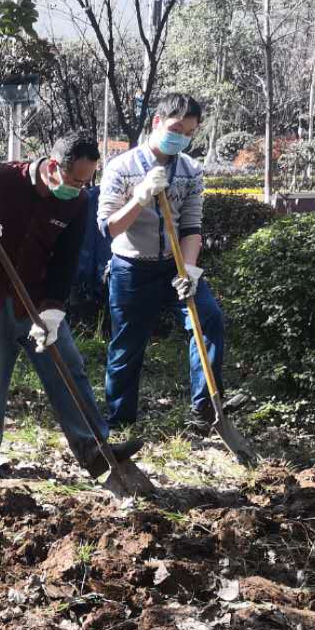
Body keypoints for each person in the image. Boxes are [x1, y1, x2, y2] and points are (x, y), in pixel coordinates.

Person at [0, 131, 144, 481]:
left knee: (68, 368)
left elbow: (65, 261)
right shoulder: (1, 178)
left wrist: (53, 311)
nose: (79, 187)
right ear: (53, 166)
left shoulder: (77, 203)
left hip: (36, 302)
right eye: (73, 179)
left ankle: (95, 449)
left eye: (86, 181)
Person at [97, 92, 226, 432]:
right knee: (128, 344)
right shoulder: (120, 168)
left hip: (175, 265)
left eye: (189, 132)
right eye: (175, 128)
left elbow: (192, 226)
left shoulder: (191, 171)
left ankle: (205, 412)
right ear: (157, 122)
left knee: (208, 320)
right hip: (131, 268)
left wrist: (191, 271)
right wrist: (140, 197)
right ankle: (120, 420)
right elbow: (109, 228)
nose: (181, 137)